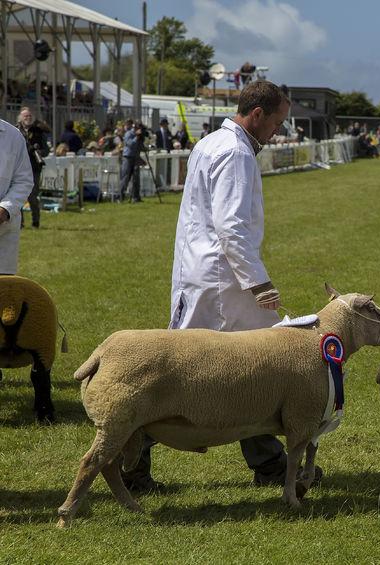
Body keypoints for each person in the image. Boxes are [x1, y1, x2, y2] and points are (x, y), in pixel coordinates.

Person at [121, 81, 299, 493]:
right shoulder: (236, 152)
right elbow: (231, 227)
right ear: (257, 115)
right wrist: (259, 284)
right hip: (224, 282)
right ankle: (131, 464)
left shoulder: (211, 143)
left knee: (243, 373)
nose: (278, 131)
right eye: (277, 122)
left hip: (202, 273)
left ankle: (270, 463)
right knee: (218, 373)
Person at [0, 118, 34, 274]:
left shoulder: (13, 136)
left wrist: (5, 209)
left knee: (4, 293)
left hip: (3, 231)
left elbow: (24, 180)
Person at [16, 107, 49, 229]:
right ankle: (20, 223)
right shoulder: (15, 130)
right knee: (18, 196)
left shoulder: (38, 131)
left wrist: (38, 151)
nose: (28, 118)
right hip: (18, 168)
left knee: (32, 196)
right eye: (25, 116)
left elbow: (46, 150)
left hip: (34, 168)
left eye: (30, 116)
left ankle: (36, 222)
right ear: (20, 117)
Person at [119, 119, 143, 203]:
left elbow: (140, 146)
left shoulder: (139, 135)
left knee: (136, 178)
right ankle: (121, 196)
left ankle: (135, 197)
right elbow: (130, 144)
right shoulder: (128, 133)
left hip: (136, 157)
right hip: (128, 157)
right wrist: (136, 137)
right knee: (125, 177)